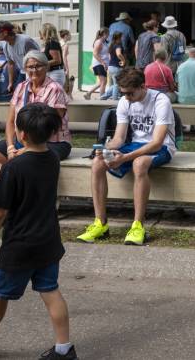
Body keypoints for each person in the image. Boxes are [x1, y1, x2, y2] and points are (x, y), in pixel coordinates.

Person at [0, 103, 76, 360]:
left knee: (0, 294)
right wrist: (4, 171)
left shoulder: (15, 167)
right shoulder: (52, 158)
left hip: (19, 245)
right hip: (48, 240)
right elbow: (30, 173)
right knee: (50, 290)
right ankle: (64, 348)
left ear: (21, 134)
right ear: (52, 132)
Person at [76, 69, 177, 247]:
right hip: (135, 144)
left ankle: (138, 226)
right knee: (98, 162)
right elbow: (119, 138)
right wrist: (106, 149)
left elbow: (157, 143)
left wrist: (125, 157)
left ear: (142, 86)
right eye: (124, 93)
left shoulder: (161, 100)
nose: (127, 97)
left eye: (130, 93)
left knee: (139, 163)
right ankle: (100, 223)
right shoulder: (124, 101)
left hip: (163, 147)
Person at [0, 51, 71, 191]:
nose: (34, 70)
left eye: (38, 66)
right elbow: (10, 122)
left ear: (46, 67)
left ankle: (24, 199)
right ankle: (2, 199)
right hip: (22, 141)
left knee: (25, 159)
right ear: (25, 68)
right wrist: (10, 148)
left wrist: (24, 150)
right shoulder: (21, 87)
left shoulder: (55, 89)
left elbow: (51, 127)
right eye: (30, 67)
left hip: (52, 142)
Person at [0, 21, 39, 95]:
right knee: (18, 93)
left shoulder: (25, 41)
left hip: (35, 72)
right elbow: (10, 64)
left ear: (5, 33)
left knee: (32, 95)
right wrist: (10, 83)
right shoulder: (4, 44)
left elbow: (38, 59)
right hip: (23, 71)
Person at [40, 23, 66, 88]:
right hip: (52, 73)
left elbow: (57, 60)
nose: (41, 35)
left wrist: (42, 63)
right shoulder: (50, 43)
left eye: (41, 32)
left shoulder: (52, 43)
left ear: (45, 32)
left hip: (55, 73)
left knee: (53, 93)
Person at [86, 27, 110, 100]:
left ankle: (88, 93)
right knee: (104, 82)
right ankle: (102, 98)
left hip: (102, 64)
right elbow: (95, 54)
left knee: (102, 82)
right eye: (108, 34)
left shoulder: (104, 42)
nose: (109, 35)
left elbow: (105, 53)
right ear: (104, 34)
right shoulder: (99, 42)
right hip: (99, 64)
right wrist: (103, 63)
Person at [103, 31, 126, 100]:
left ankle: (104, 96)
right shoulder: (118, 45)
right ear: (119, 37)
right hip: (116, 67)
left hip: (111, 67)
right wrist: (123, 60)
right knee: (117, 84)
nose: (122, 38)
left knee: (114, 84)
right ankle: (114, 99)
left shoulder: (111, 45)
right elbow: (118, 54)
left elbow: (109, 57)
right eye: (121, 37)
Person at [58, 29, 74, 95]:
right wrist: (67, 68)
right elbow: (64, 57)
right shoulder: (65, 45)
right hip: (63, 65)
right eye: (69, 35)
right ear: (65, 36)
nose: (71, 36)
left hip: (59, 65)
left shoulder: (59, 43)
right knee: (66, 82)